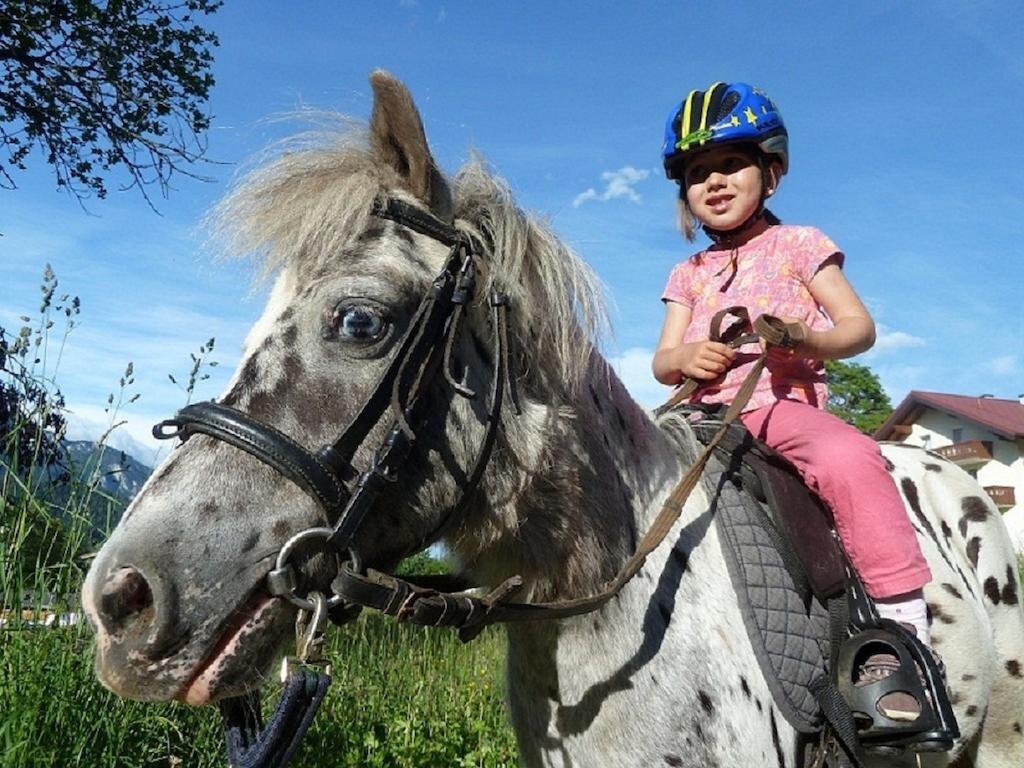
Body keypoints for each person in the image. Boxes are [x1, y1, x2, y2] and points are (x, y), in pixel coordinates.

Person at [652, 82, 934, 721]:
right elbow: (662, 360)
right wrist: (686, 359)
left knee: (849, 458)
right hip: (698, 414)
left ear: (771, 173)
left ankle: (902, 627)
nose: (714, 181)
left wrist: (807, 338)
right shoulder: (686, 274)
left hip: (778, 405)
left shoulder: (801, 245)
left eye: (732, 164)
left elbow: (858, 328)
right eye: (697, 173)